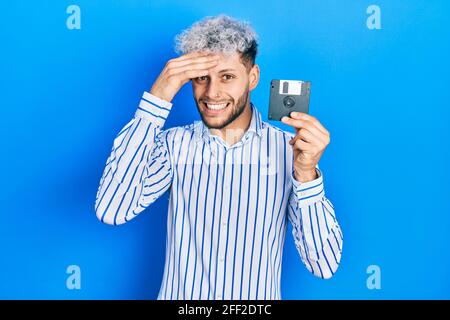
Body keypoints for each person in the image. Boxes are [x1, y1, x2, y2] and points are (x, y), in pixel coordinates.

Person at [95, 15, 343, 300]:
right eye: (201, 78)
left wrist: (307, 174)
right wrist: (157, 97)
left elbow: (324, 264)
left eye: (227, 76)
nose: (211, 93)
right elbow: (111, 210)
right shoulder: (174, 144)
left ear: (253, 78)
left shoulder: (291, 151)